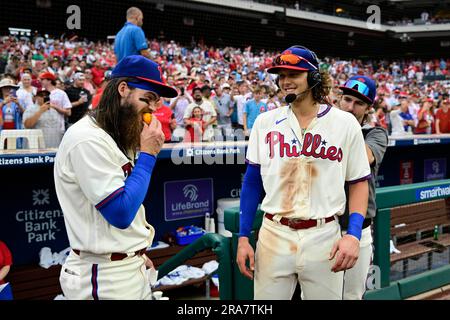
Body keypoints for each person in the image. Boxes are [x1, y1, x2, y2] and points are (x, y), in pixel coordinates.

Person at [236, 45, 371, 300]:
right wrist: (243, 237)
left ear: (314, 77)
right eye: (281, 75)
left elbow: (359, 183)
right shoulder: (265, 123)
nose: (285, 81)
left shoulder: (344, 124)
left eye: (293, 74)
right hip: (274, 233)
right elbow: (252, 183)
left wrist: (353, 234)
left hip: (324, 236)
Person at [54, 55, 177, 300]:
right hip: (103, 275)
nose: (153, 109)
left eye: (156, 101)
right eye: (148, 98)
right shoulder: (86, 138)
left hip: (124, 267)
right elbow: (119, 213)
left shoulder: (116, 132)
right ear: (123, 89)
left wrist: (136, 253)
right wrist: (148, 155)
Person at [338, 75, 388, 300]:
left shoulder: (375, 133)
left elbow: (364, 157)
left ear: (368, 108)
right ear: (338, 100)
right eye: (347, 99)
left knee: (351, 296)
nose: (351, 107)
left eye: (358, 103)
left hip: (358, 229)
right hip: (323, 227)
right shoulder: (322, 130)